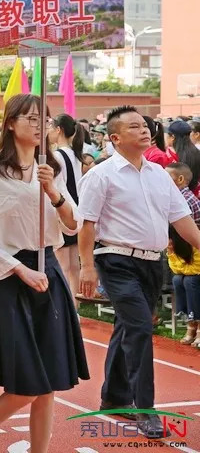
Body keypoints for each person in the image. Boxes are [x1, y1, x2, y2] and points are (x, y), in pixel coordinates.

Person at [0, 94, 88, 453]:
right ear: (11, 122)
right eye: (31, 118)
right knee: (28, 382)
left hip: (47, 271)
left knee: (50, 382)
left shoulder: (52, 170)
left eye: (44, 120)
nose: (39, 126)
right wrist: (20, 271)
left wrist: (54, 193)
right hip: (11, 277)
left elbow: (72, 224)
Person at [78, 105, 200, 439]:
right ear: (115, 137)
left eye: (145, 125)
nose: (145, 130)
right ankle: (144, 408)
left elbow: (182, 221)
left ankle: (112, 397)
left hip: (151, 263)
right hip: (115, 260)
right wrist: (87, 267)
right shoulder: (101, 175)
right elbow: (86, 224)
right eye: (135, 127)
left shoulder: (160, 174)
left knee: (127, 328)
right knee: (140, 327)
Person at [49, 114, 85, 308]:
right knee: (73, 263)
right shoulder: (76, 154)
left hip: (64, 210)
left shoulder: (56, 155)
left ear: (58, 130)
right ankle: (74, 304)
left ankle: (66, 305)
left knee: (64, 264)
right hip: (76, 209)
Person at [164, 162, 200, 347]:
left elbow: (189, 236)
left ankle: (196, 326)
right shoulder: (174, 198)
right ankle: (190, 322)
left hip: (194, 254)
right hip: (184, 255)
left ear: (180, 179)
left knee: (192, 282)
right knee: (179, 281)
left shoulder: (186, 201)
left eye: (166, 178)